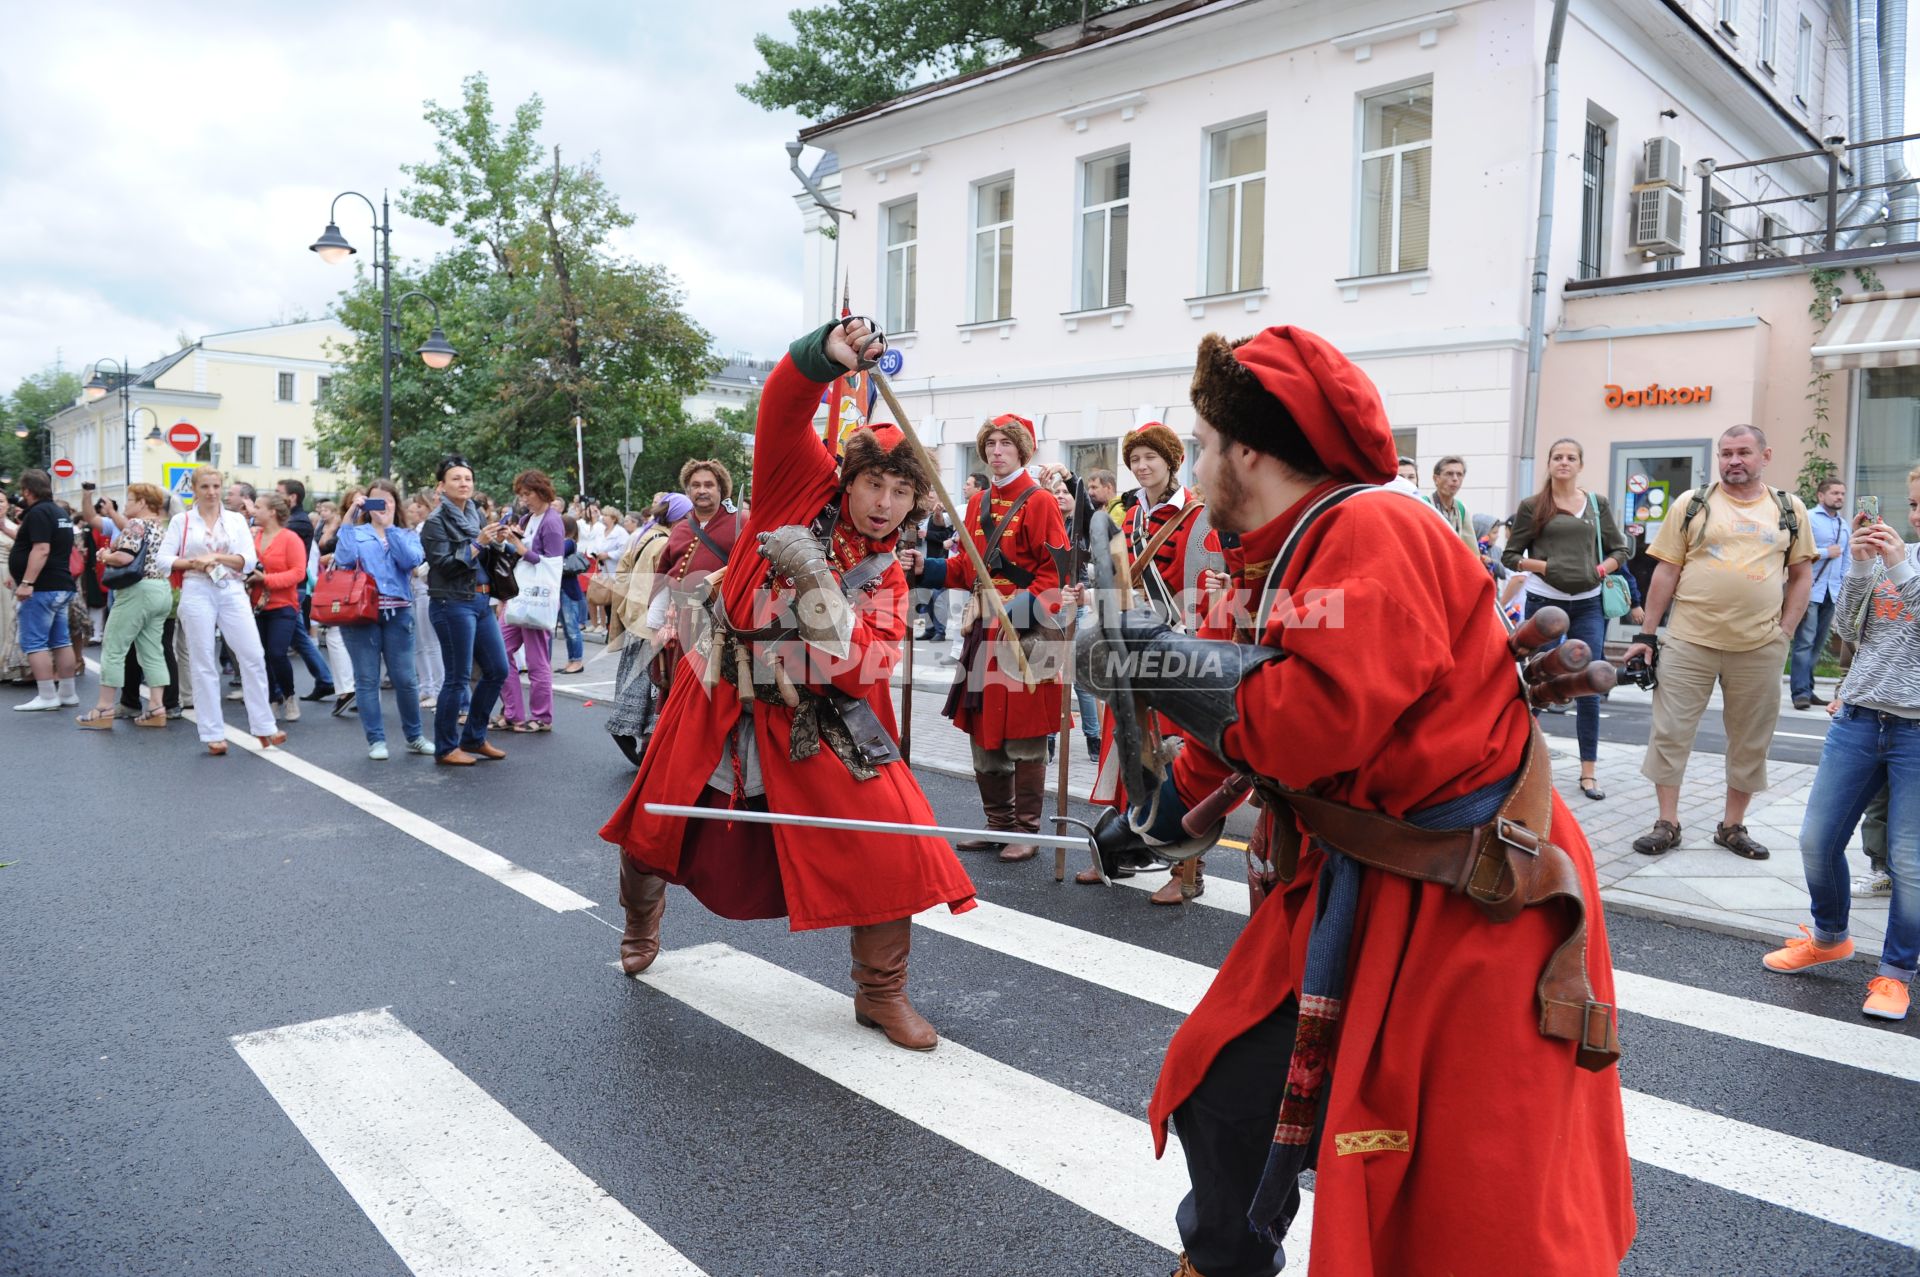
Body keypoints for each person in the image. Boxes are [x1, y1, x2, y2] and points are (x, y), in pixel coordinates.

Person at [1082, 326, 1632, 1275]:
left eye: (1206, 442)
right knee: (1222, 1090)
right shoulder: (1263, 553)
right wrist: (1154, 820)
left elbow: (1313, 720)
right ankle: (1222, 1260)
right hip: (1356, 877)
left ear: (1248, 451)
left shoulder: (1375, 526)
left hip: (1466, 898)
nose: (1199, 459)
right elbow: (1240, 728)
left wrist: (1156, 665)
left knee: (1462, 1202)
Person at [599, 315, 975, 1051]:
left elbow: (865, 668)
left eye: (902, 492)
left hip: (818, 717)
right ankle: (641, 919)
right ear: (850, 477)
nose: (884, 503)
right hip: (718, 694)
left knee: (891, 840)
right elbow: (783, 405)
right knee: (654, 828)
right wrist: (824, 355)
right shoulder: (793, 485)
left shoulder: (891, 573)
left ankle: (881, 993)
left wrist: (815, 584)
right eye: (874, 482)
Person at [1764, 462, 1920, 1022]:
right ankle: (1830, 936)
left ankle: (1898, 973)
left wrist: (1898, 565)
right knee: (1816, 839)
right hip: (1859, 717)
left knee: (1908, 861)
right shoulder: (1888, 562)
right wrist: (1857, 565)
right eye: (1916, 504)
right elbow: (1846, 635)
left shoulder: (1902, 562)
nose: (1916, 515)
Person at [1624, 425, 1816, 859]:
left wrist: (1785, 632)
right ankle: (1667, 823)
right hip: (1690, 640)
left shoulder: (1789, 508)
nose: (1734, 460)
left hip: (1760, 645)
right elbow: (1666, 571)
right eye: (1726, 453)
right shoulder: (1692, 504)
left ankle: (1733, 826)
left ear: (1765, 455)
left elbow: (1802, 574)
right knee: (1671, 733)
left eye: (1743, 452)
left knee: (1750, 738)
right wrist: (1647, 634)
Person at [915, 412, 1069, 863]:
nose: (996, 451)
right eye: (990, 443)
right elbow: (969, 568)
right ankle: (998, 823)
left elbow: (1055, 575)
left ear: (1022, 450)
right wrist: (927, 568)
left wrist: (1017, 611)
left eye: (1005, 443)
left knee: (1024, 732)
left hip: (1026, 633)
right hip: (981, 630)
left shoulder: (1039, 502)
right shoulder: (978, 501)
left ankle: (1027, 828)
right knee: (984, 732)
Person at [1082, 423, 1225, 902]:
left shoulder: (1199, 517)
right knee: (1130, 749)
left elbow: (1206, 590)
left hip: (1176, 649)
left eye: (1151, 458)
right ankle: (1126, 852)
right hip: (1130, 648)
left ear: (1171, 462)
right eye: (1136, 459)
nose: (1142, 467)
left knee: (1176, 757)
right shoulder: (1126, 516)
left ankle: (1188, 872)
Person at [1501, 439, 1631, 801]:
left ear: (1580, 465)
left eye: (1571, 457)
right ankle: (1518, 766)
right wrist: (1546, 567)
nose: (1564, 462)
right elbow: (1511, 556)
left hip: (1589, 604)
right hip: (1545, 604)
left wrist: (1602, 569)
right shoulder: (1533, 506)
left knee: (1590, 683)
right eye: (1557, 457)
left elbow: (1621, 549)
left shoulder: (1596, 504)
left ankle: (1588, 772)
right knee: (1535, 682)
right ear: (1549, 463)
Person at [159, 468, 284, 755]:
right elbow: (164, 560)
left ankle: (265, 727)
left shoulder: (236, 519)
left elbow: (248, 559)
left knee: (253, 654)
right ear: (194, 488)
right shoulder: (182, 520)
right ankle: (212, 732)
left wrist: (215, 557)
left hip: (231, 588)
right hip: (196, 588)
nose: (212, 492)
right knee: (202, 661)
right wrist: (193, 563)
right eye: (205, 486)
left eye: (216, 486)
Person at [421, 456, 511, 766]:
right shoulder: (435, 521)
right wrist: (477, 543)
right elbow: (443, 565)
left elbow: (484, 558)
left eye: (468, 479)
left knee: (498, 669)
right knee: (457, 678)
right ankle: (446, 747)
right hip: (452, 602)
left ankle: (473, 736)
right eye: (456, 478)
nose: (464, 483)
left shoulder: (474, 515)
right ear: (441, 486)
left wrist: (498, 542)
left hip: (481, 602)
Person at [332, 479, 431, 760]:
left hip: (399, 612)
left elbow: (411, 561)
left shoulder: (406, 534)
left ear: (396, 504)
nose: (382, 505)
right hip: (361, 613)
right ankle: (376, 740)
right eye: (375, 499)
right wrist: (350, 517)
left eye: (388, 499)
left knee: (406, 679)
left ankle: (415, 737)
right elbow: (345, 559)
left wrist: (389, 527)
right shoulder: (356, 531)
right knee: (366, 679)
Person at [74, 483, 172, 730]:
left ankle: (104, 708)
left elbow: (125, 557)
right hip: (161, 589)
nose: (126, 504)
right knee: (152, 650)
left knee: (114, 647)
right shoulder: (162, 527)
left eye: (129, 500)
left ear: (142, 503)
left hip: (137, 591)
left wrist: (105, 555)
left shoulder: (136, 525)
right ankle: (157, 708)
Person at [605, 494, 687, 764]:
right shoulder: (665, 542)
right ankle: (641, 742)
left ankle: (634, 736)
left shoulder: (642, 534)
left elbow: (622, 572)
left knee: (635, 681)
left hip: (634, 618)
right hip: (651, 622)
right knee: (653, 686)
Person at [8, 469, 80, 711]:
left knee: (35, 642)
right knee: (60, 640)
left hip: (42, 588)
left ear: (28, 491)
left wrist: (27, 583)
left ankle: (47, 696)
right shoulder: (59, 512)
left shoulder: (38, 513)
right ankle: (68, 693)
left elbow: (41, 549)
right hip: (60, 585)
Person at [498, 469, 563, 733]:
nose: (524, 499)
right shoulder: (529, 518)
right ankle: (514, 712)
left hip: (536, 598)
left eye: (528, 494)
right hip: (522, 596)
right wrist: (511, 542)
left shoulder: (552, 521)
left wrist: (521, 548)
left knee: (536, 661)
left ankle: (541, 716)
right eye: (522, 495)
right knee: (499, 653)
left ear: (541, 491)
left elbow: (552, 565)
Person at [1790, 477, 1851, 709]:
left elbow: (1845, 559)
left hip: (1831, 592)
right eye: (1835, 493)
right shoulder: (1809, 518)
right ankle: (1800, 693)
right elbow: (1797, 550)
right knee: (1804, 642)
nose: (1839, 497)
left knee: (1817, 644)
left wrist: (1846, 587)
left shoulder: (1843, 525)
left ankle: (1809, 688)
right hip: (1810, 589)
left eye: (1842, 494)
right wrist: (1826, 552)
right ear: (1821, 496)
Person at [277, 479, 336, 703]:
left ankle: (282, 690)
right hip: (293, 586)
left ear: (292, 498)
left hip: (294, 587)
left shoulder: (298, 522)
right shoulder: (295, 520)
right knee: (298, 637)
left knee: (287, 639)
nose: (275, 496)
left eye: (278, 493)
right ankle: (324, 679)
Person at [250, 492, 308, 722]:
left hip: (283, 604)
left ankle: (289, 695)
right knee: (261, 655)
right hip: (257, 605)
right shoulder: (254, 537)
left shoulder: (290, 538)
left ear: (272, 512)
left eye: (257, 507)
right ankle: (272, 699)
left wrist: (265, 580)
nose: (253, 511)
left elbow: (298, 573)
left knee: (276, 652)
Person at [406, 494, 445, 708]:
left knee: (430, 642)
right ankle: (427, 686)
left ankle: (437, 690)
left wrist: (416, 569)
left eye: (419, 506)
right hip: (415, 588)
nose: (414, 509)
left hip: (425, 587)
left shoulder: (427, 528)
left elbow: (429, 559)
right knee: (420, 643)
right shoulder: (415, 530)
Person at [0, 491, 32, 684]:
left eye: (1, 501)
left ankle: (6, 665)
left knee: (7, 619)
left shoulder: (15, 527)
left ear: (7, 505)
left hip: (7, 575)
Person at [1428, 454, 1477, 551]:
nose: (1455, 479)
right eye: (1449, 473)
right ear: (1436, 479)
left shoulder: (1461, 509)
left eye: (1459, 474)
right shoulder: (1424, 505)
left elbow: (1472, 551)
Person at [558, 514, 587, 675]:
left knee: (572, 628)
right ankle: (572, 660)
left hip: (568, 592)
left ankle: (577, 661)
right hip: (564, 591)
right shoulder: (566, 542)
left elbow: (556, 553)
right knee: (568, 629)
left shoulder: (568, 542)